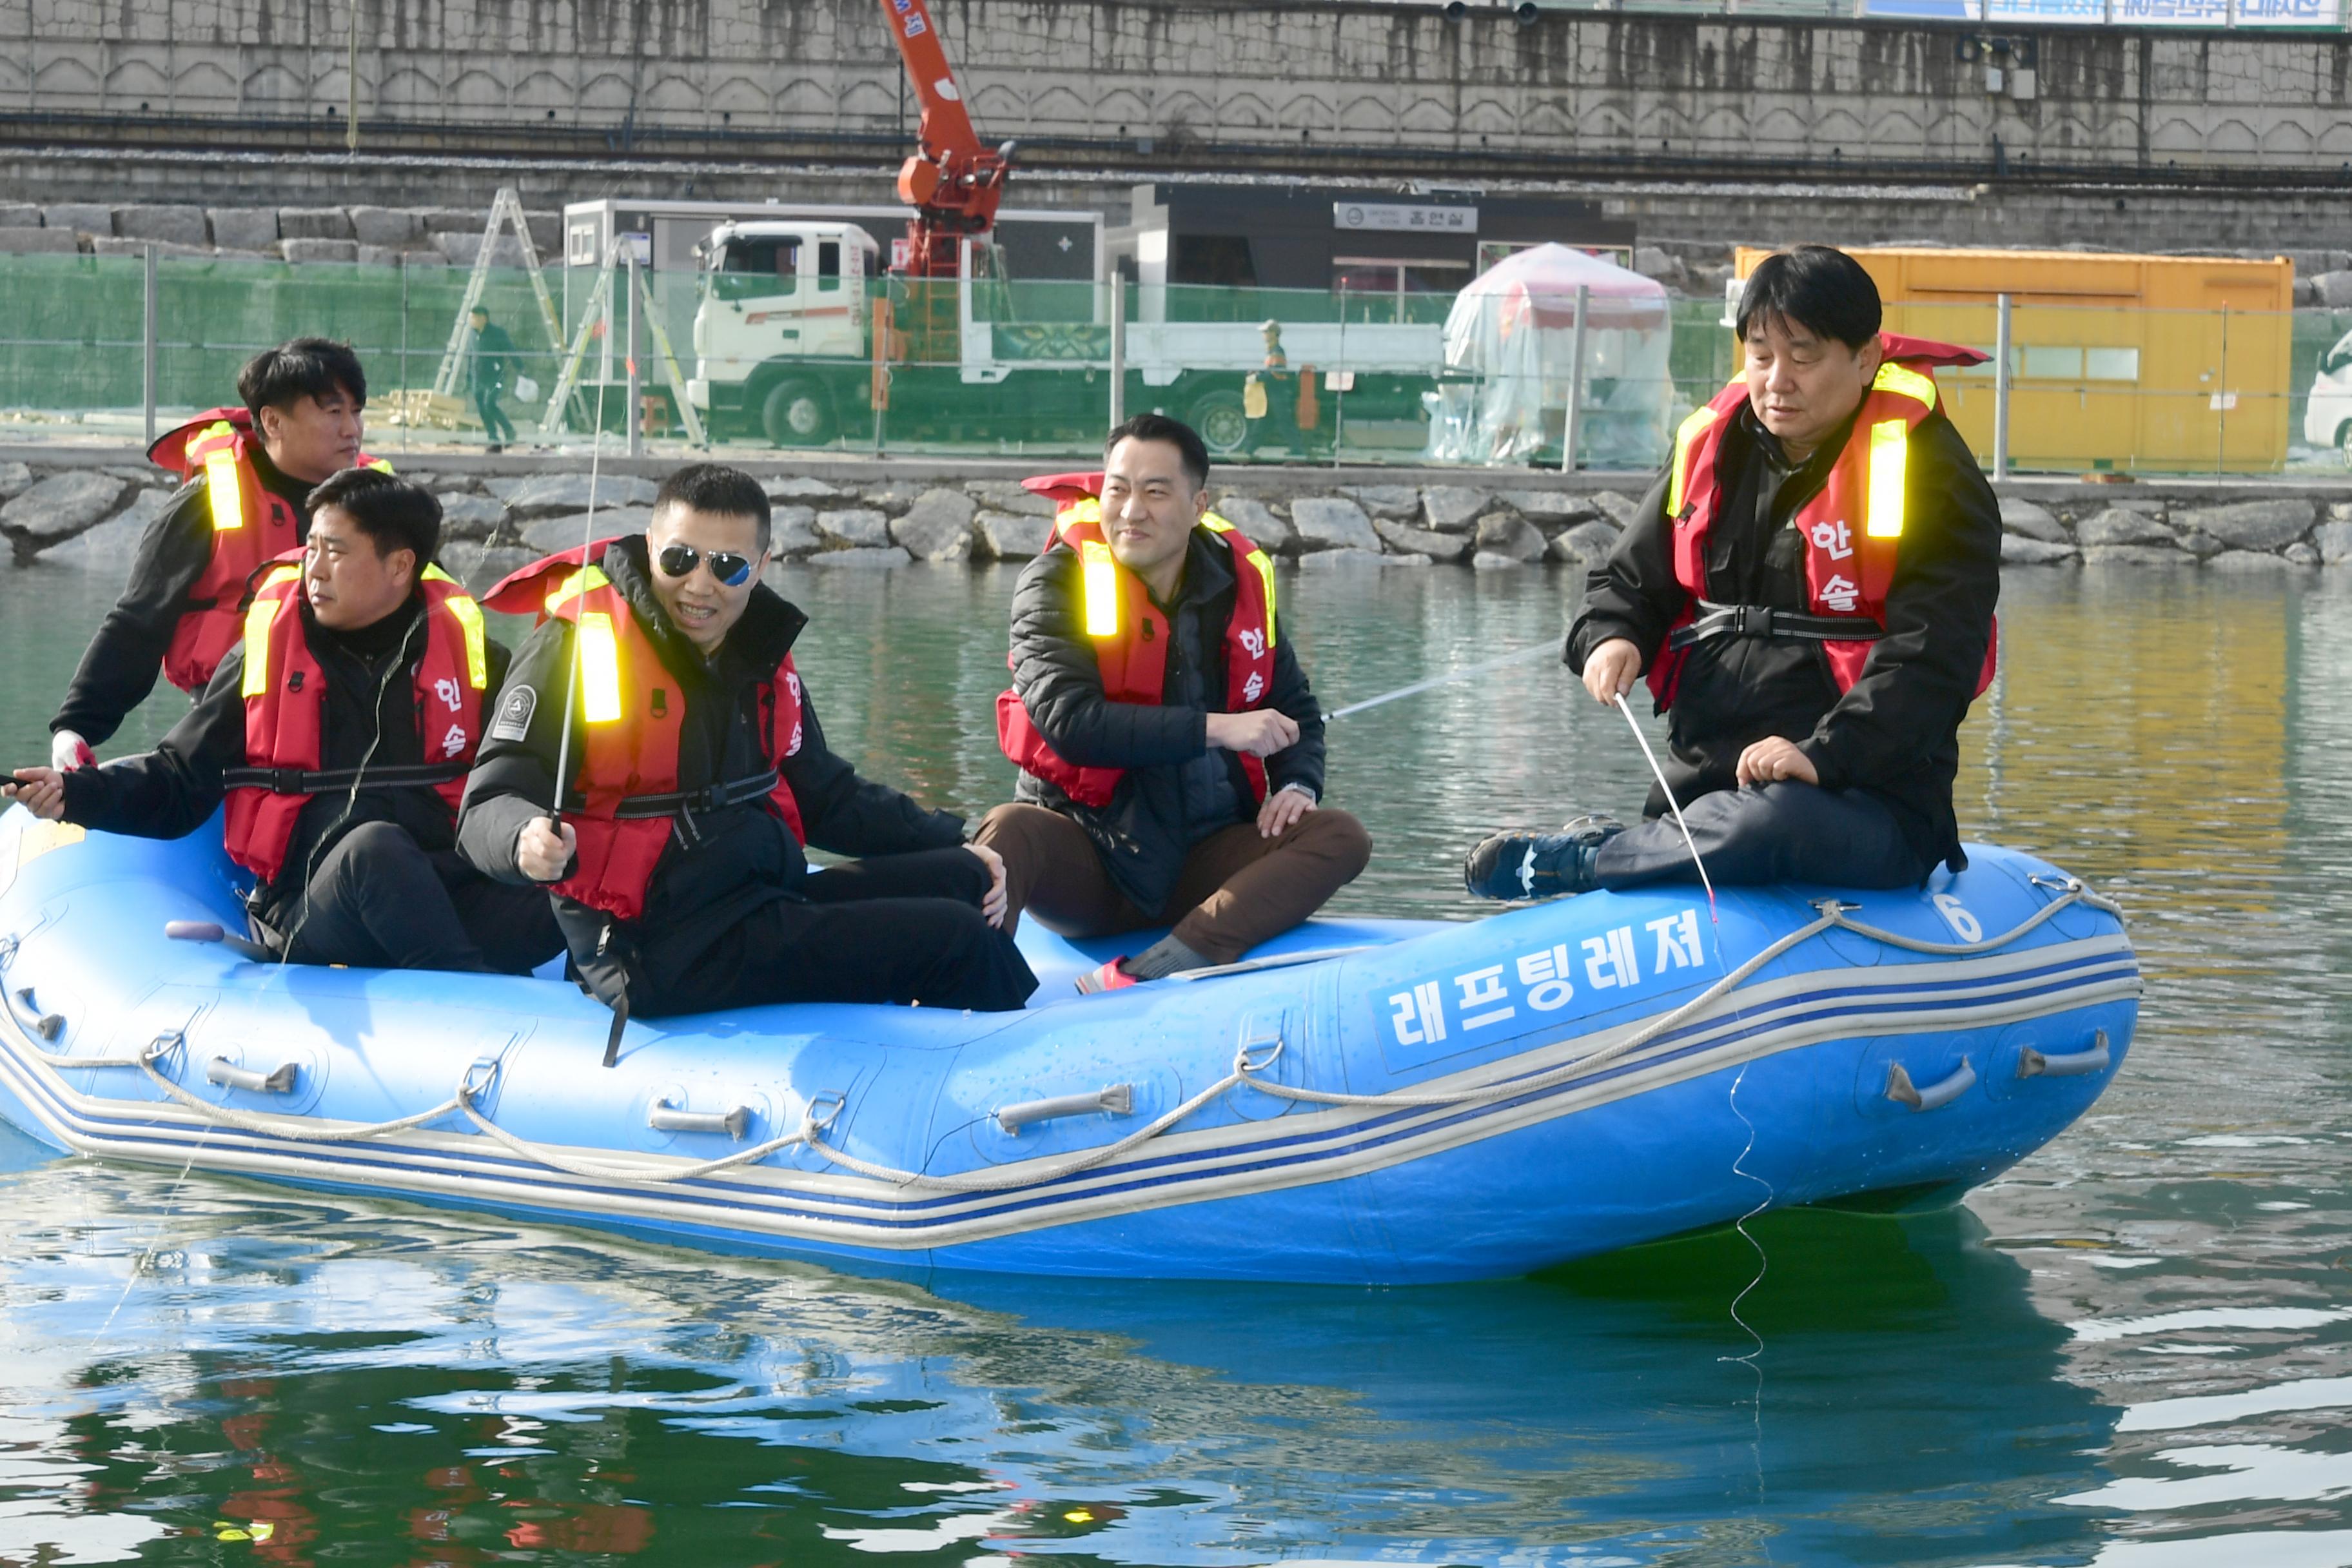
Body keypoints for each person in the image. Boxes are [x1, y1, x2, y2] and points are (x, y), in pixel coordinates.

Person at [1464, 245, 2001, 900]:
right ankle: (1657, 845)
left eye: (1803, 356)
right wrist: (1611, 634)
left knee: (1769, 823)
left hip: (1863, 798)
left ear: (1865, 358)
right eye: (1760, 355)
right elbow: (1629, 578)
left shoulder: (1933, 470)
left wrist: (1823, 754)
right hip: (1701, 787)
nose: (1778, 379)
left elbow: (1935, 652)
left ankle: (1587, 864)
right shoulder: (1712, 445)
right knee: (1736, 821)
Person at [456, 462, 1035, 1023]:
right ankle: (1012, 1089)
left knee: (966, 879)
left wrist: (955, 840)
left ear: (760, 565)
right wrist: (522, 840)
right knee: (955, 938)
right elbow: (486, 805)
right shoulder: (577, 646)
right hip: (654, 946)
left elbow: (826, 797)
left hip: (757, 899)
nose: (699, 585)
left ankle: (934, 1046)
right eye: (680, 559)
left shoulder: (760, 650)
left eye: (727, 567)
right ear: (652, 544)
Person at [5, 470, 562, 975]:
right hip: (313, 904)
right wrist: (74, 794)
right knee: (376, 851)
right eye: (311, 547)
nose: (313, 568)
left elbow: (518, 781)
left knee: (585, 877)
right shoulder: (264, 657)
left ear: (400, 566)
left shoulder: (475, 660)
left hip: (450, 889)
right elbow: (178, 782)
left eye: (335, 552)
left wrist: (538, 841)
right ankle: (471, 1003)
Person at [977, 413, 1370, 994]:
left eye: (1156, 492)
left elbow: (1295, 709)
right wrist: (1220, 729)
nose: (1131, 510)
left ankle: (1169, 962)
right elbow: (1070, 723)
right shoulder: (1053, 582)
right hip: (1091, 860)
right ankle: (964, 996)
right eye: (1118, 489)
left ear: (1198, 504)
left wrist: (1297, 784)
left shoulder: (1237, 585)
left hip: (1205, 863)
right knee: (1007, 834)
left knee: (1340, 836)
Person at [50, 338, 380, 775]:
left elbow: (435, 617)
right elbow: (139, 621)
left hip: (362, 724)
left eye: (356, 412)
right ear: (273, 421)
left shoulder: (380, 507)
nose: (351, 429)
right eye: (333, 411)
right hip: (234, 723)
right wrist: (75, 726)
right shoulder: (208, 501)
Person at [467, 306, 519, 453]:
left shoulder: (497, 333)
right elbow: (471, 356)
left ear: (483, 318)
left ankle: (509, 431)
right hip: (477, 378)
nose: (472, 321)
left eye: (474, 318)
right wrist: (468, 377)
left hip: (495, 376)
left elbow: (510, 350)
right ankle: (493, 439)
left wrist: (520, 368)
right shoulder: (472, 334)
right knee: (482, 409)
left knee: (490, 404)